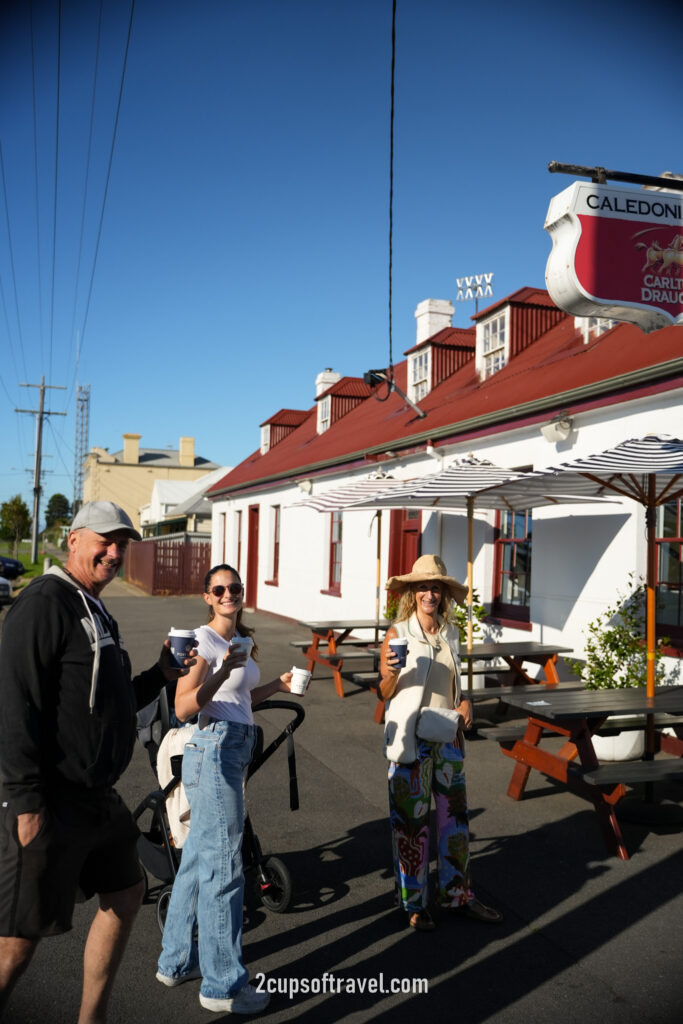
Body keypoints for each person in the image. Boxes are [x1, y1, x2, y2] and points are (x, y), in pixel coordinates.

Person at [0, 500, 195, 1024]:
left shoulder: (95, 606)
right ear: (74, 540)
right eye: (104, 540)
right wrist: (24, 799)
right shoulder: (44, 603)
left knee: (127, 891)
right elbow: (13, 703)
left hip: (97, 797)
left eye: (122, 543)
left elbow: (110, 702)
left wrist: (160, 673)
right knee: (16, 943)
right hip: (50, 796)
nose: (113, 552)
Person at [156, 563, 299, 1016]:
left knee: (198, 861)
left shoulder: (241, 639)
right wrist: (220, 671)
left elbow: (239, 699)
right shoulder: (202, 642)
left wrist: (278, 684)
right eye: (219, 589)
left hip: (231, 745)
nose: (228, 594)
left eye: (234, 587)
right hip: (213, 748)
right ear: (207, 595)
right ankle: (222, 987)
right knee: (224, 868)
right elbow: (183, 707)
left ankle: (176, 961)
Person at [378, 553, 503, 931]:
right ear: (412, 593)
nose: (429, 594)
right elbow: (383, 692)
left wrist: (465, 703)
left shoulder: (449, 633)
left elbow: (454, 688)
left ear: (443, 594)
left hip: (446, 738)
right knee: (412, 827)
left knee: (455, 824)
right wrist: (393, 673)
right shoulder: (398, 633)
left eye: (435, 587)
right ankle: (414, 903)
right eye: (422, 587)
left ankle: (458, 895)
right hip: (411, 742)